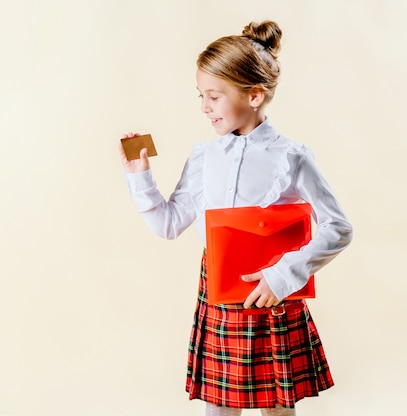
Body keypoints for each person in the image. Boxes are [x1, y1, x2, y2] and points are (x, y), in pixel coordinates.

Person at [118, 20, 353, 416]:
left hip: (273, 297)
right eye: (201, 95)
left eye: (214, 96)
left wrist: (283, 275)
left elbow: (338, 228)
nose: (204, 106)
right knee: (219, 405)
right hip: (218, 296)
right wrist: (139, 177)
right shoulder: (203, 157)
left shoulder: (291, 157)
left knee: (277, 406)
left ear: (255, 95)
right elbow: (168, 223)